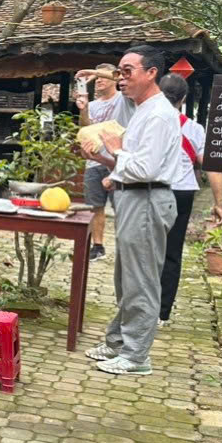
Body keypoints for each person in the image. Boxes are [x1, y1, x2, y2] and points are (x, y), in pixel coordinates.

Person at [82, 46, 180, 376]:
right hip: (133, 198)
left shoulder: (157, 113)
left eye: (127, 71)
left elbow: (146, 168)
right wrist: (103, 159)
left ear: (151, 73)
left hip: (148, 200)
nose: (121, 78)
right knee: (126, 280)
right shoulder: (141, 110)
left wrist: (116, 149)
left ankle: (137, 356)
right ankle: (118, 343)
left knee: (141, 282)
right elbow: (131, 163)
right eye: (119, 72)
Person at [157, 73, 222, 325]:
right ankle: (162, 313)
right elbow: (211, 167)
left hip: (154, 189)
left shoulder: (147, 121)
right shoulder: (194, 129)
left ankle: (140, 305)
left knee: (147, 250)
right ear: (183, 98)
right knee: (172, 253)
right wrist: (219, 203)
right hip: (182, 192)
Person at [73, 63, 135, 261]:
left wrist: (91, 72)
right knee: (95, 206)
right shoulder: (95, 103)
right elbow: (86, 126)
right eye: (97, 78)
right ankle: (97, 246)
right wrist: (83, 109)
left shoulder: (123, 99)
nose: (98, 80)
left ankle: (124, 247)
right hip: (94, 160)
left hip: (117, 160)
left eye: (102, 77)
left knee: (122, 206)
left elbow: (121, 77)